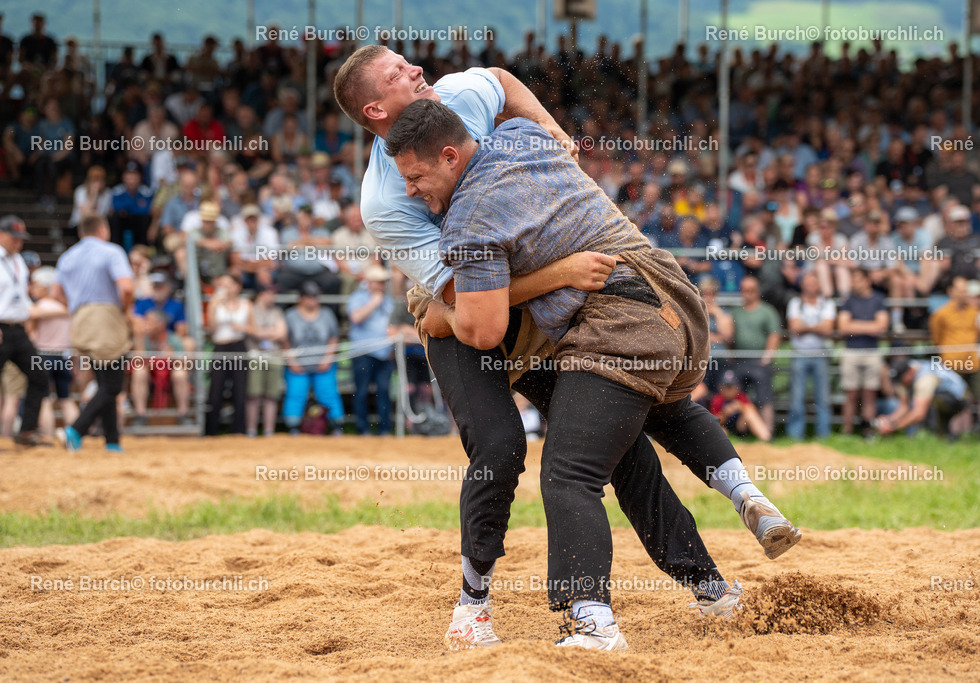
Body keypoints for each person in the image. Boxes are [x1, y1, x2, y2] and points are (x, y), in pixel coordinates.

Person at [336, 46, 796, 650]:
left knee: (602, 452)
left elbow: (500, 80)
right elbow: (471, 314)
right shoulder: (388, 197)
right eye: (399, 73)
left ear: (450, 153)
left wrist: (553, 128)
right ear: (375, 108)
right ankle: (475, 599)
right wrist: (559, 271)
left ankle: (684, 593)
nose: (416, 71)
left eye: (422, 180)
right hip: (476, 306)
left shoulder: (458, 107)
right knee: (501, 448)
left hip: (562, 305)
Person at [53, 215, 134, 452]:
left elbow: (56, 293)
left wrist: (77, 308)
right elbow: (127, 287)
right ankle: (76, 429)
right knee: (112, 386)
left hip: (80, 319)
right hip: (106, 317)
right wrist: (124, 310)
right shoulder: (111, 251)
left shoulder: (67, 256)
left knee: (103, 381)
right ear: (102, 229)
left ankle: (112, 441)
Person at [0, 215, 50, 447]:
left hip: (18, 330)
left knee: (39, 376)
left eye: (20, 239)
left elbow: (19, 298)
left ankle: (27, 431)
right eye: (14, 238)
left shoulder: (18, 260)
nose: (18, 243)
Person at [928, 276, 980, 442]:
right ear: (951, 291)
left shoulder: (975, 313)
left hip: (974, 363)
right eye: (961, 290)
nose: (965, 293)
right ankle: (955, 437)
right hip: (951, 366)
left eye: (966, 290)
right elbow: (936, 339)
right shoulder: (940, 315)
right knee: (957, 403)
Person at [282, 281, 344, 436]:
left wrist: (327, 359)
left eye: (315, 296)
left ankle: (337, 426)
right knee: (295, 394)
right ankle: (293, 427)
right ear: (301, 298)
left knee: (328, 393)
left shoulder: (327, 314)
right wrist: (292, 361)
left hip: (323, 364)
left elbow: (333, 338)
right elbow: (285, 340)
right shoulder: (290, 316)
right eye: (309, 297)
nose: (313, 300)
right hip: (298, 365)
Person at [26, 265, 78, 437]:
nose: (33, 288)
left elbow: (31, 330)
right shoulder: (66, 308)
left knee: (45, 399)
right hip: (63, 355)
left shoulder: (41, 306)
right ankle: (77, 434)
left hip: (43, 355)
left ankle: (47, 437)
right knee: (66, 398)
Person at [837, 268, 889, 435]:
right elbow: (843, 327)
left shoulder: (879, 300)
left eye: (857, 279)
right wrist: (870, 326)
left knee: (870, 394)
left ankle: (868, 431)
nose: (854, 284)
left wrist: (855, 325)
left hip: (872, 352)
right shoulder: (848, 301)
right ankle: (847, 430)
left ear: (867, 280)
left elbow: (881, 326)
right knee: (850, 394)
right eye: (852, 280)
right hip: (851, 352)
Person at [785, 271, 836, 439]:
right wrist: (817, 327)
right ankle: (795, 436)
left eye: (813, 283)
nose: (810, 286)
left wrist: (805, 326)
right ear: (802, 285)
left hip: (821, 355)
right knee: (797, 398)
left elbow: (828, 329)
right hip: (799, 354)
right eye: (807, 283)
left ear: (819, 285)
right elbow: (794, 327)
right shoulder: (795, 302)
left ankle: (823, 436)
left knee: (823, 398)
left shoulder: (827, 303)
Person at [347, 265, 395, 435]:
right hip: (362, 353)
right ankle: (363, 429)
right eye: (379, 282)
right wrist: (374, 302)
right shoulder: (358, 298)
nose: (382, 285)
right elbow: (355, 318)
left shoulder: (389, 301)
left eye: (384, 282)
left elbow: (393, 327)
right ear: (369, 282)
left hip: (385, 353)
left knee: (384, 391)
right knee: (361, 391)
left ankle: (385, 429)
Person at [731, 275, 781, 434]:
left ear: (757, 291)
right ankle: (739, 431)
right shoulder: (736, 312)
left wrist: (767, 357)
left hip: (759, 361)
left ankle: (767, 431)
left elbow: (774, 334)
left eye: (751, 290)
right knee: (738, 397)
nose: (747, 293)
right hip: (739, 360)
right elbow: (729, 336)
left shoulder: (767, 311)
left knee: (764, 398)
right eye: (744, 290)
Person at [204, 273, 251, 435]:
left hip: (239, 346)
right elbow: (211, 330)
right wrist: (214, 305)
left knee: (240, 390)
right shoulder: (215, 303)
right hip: (220, 346)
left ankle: (239, 430)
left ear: (237, 286)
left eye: (228, 284)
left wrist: (243, 328)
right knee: (215, 390)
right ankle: (211, 430)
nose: (225, 288)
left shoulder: (246, 304)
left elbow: (254, 328)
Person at [878, 359, 969, 439]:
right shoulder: (910, 368)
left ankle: (937, 436)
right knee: (923, 402)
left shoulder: (925, 378)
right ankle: (941, 438)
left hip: (958, 399)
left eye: (901, 379)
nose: (900, 383)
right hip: (942, 398)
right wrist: (889, 420)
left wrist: (893, 427)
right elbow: (904, 406)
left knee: (928, 405)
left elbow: (919, 413)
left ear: (909, 372)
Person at [131, 309, 191, 425]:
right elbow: (137, 361)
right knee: (139, 372)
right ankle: (140, 415)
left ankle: (183, 415)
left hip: (168, 373)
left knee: (180, 373)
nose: (146, 324)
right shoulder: (143, 338)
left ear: (161, 324)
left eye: (149, 321)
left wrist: (171, 358)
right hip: (150, 373)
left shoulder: (173, 339)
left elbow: (185, 363)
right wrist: (140, 339)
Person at [245, 283, 287, 437]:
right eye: (271, 293)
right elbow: (250, 330)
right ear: (261, 294)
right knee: (253, 395)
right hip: (255, 356)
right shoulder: (250, 310)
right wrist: (270, 332)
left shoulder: (277, 311)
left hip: (274, 356)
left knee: (272, 395)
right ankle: (251, 430)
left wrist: (260, 332)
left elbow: (282, 334)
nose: (273, 297)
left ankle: (269, 431)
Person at [710, 369, 772, 441]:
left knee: (749, 412)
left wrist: (740, 407)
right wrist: (724, 413)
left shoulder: (740, 397)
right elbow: (712, 422)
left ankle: (766, 438)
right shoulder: (717, 399)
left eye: (731, 387)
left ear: (737, 387)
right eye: (726, 387)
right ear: (720, 387)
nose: (728, 391)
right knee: (721, 431)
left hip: (740, 426)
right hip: (724, 427)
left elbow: (753, 412)